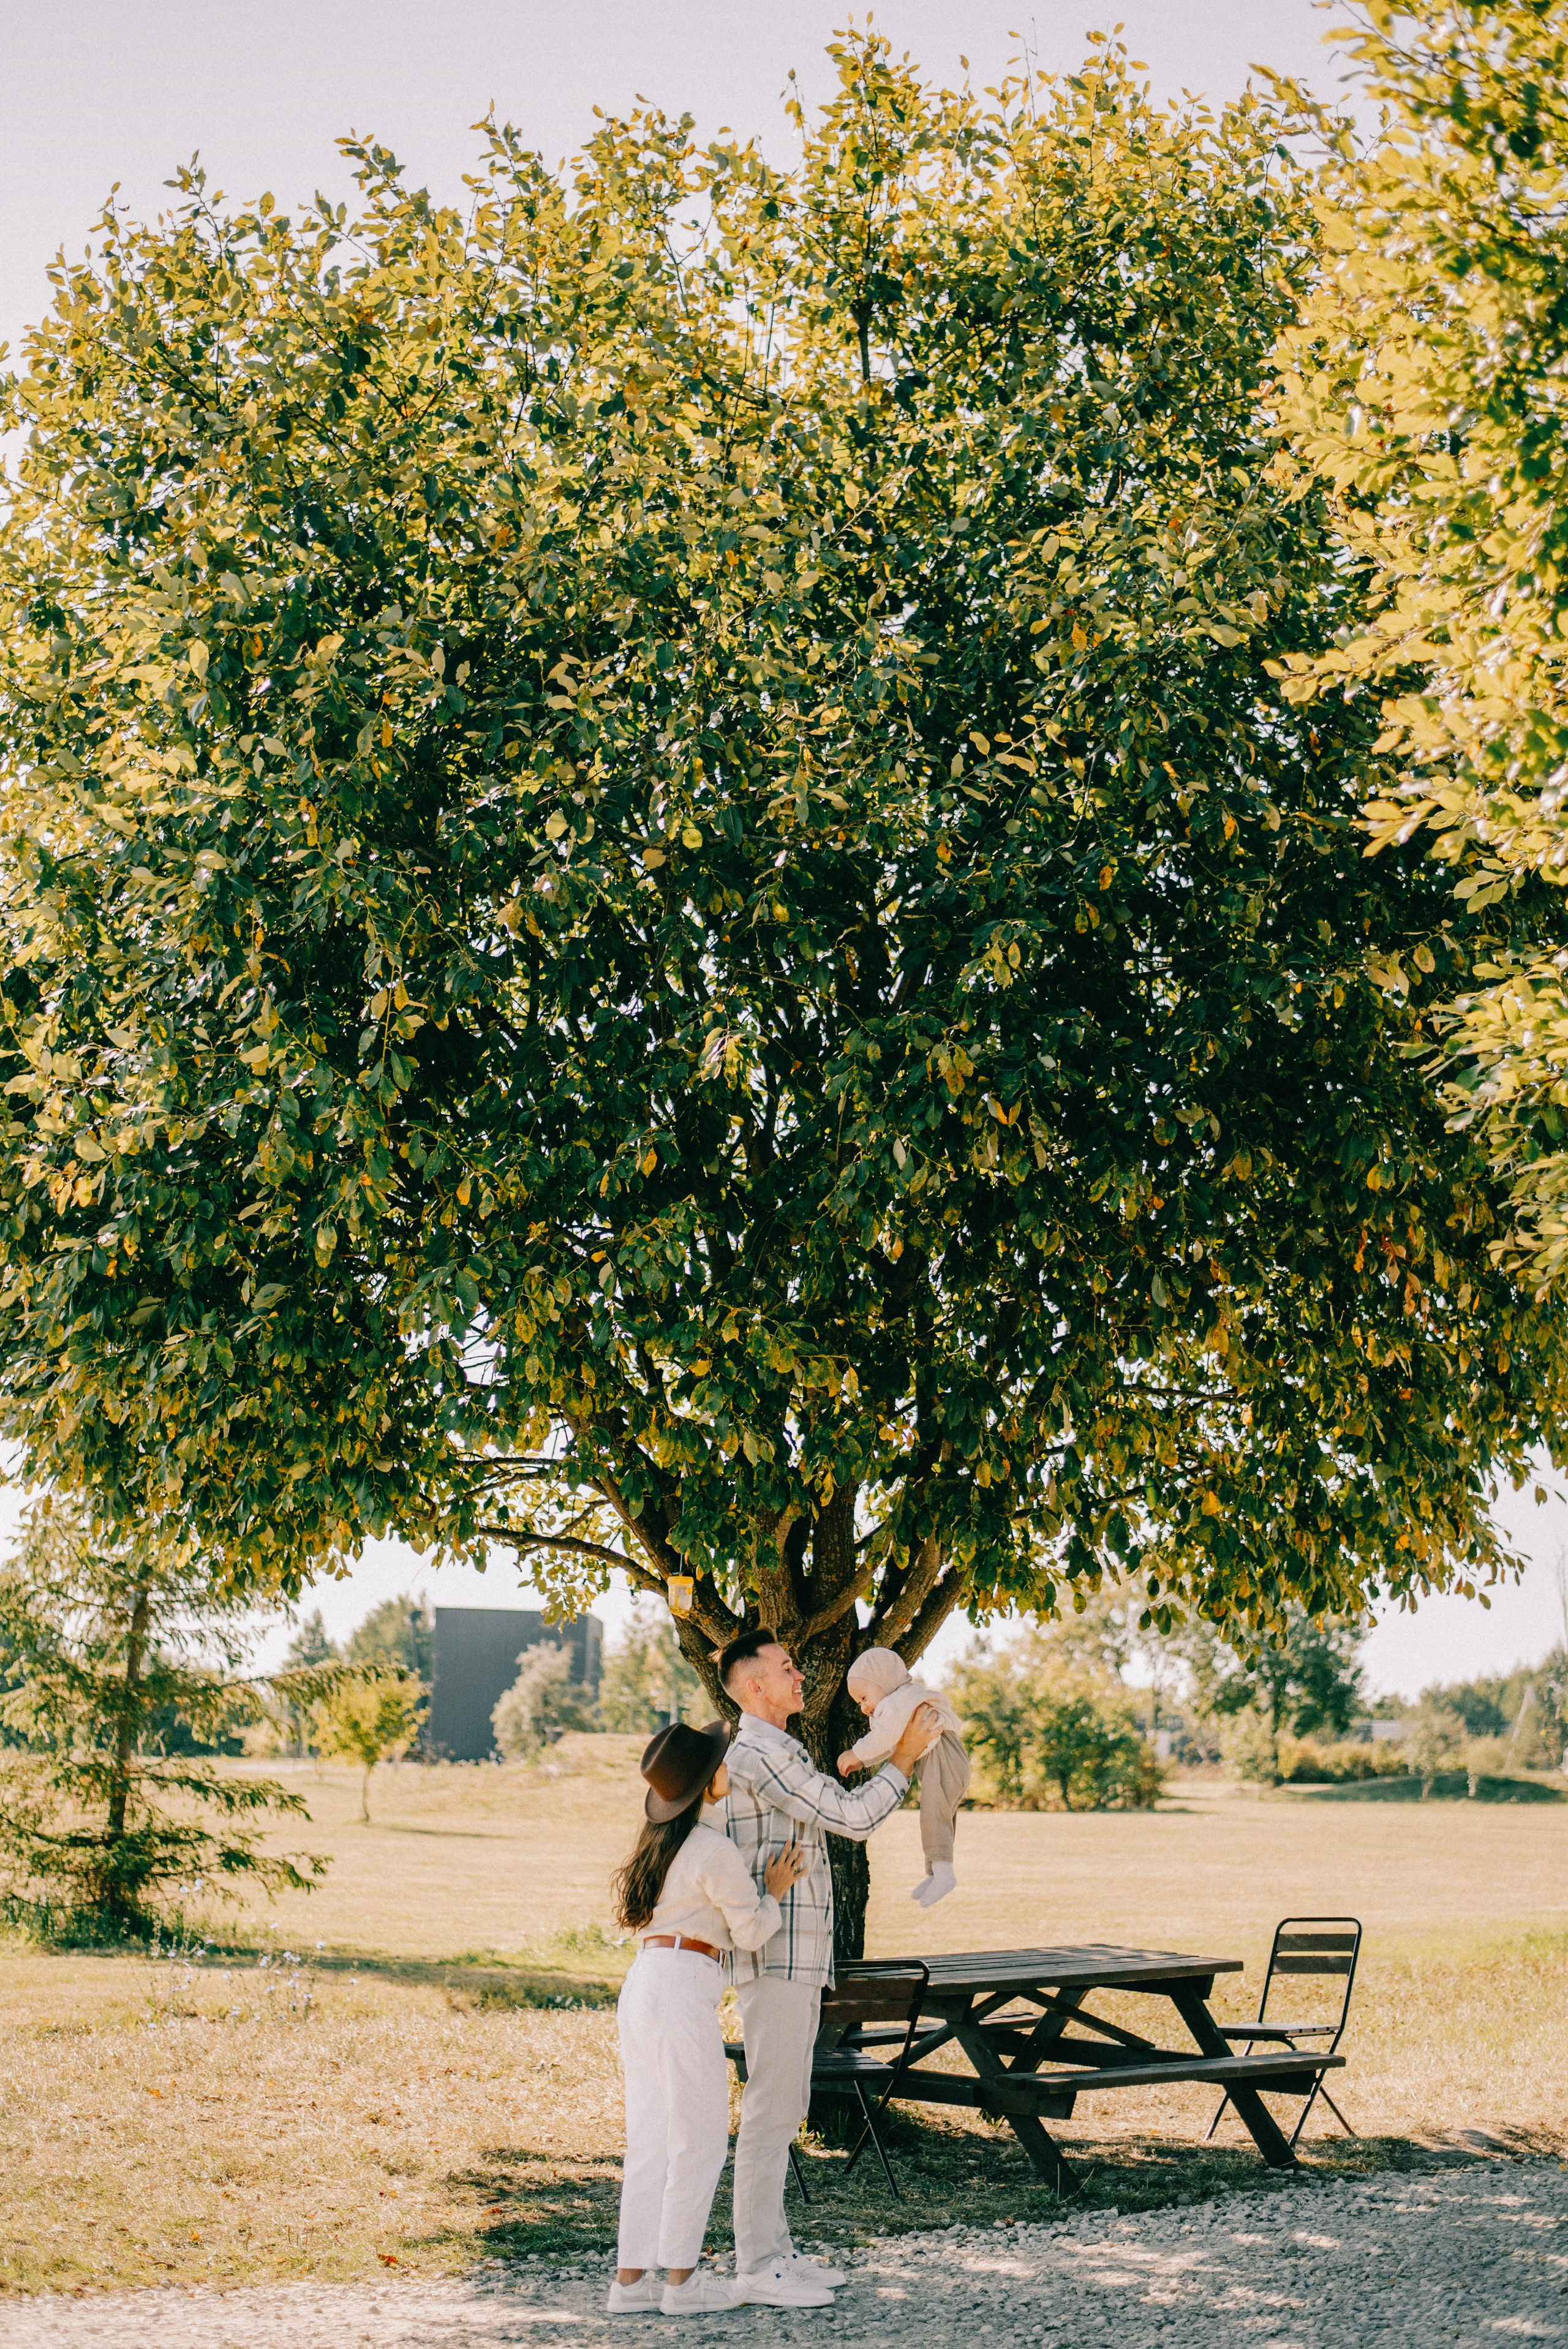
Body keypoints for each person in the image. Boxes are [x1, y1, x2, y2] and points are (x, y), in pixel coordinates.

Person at [717, 1625, 939, 2306]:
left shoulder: (783, 1750)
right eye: (786, 1668)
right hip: (777, 1956)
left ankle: (776, 2253)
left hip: (797, 1956)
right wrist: (900, 1758)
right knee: (770, 2112)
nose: (799, 1675)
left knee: (785, 2108)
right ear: (755, 1687)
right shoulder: (759, 1753)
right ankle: (757, 2265)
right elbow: (849, 1817)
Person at [607, 1718, 809, 2319]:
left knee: (649, 2138)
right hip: (682, 1983)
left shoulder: (661, 1845)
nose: (730, 1766)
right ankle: (682, 2283)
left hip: (644, 1981)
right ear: (708, 1783)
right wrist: (773, 1889)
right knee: (697, 2138)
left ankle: (631, 2283)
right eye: (722, 1762)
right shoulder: (712, 1850)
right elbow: (748, 1931)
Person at [838, 1646, 970, 1907]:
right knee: (940, 1817)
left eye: (864, 1698)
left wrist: (855, 1754)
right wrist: (864, 1761)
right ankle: (937, 1873)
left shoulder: (897, 1703)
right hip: (951, 1760)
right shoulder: (900, 1705)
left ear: (884, 1683)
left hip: (944, 1757)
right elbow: (890, 1745)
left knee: (934, 1814)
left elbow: (883, 1739)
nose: (864, 1708)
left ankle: (944, 1875)